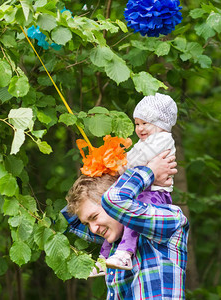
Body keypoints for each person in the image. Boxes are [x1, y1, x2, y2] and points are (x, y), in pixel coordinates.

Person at [61, 151, 189, 299]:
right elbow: (68, 218)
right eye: (87, 223)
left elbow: (116, 199)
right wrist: (107, 169)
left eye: (94, 217)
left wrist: (149, 171)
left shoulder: (168, 218)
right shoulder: (117, 244)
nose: (93, 229)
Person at [100, 93, 178, 270]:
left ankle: (125, 254)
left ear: (161, 124)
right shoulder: (146, 141)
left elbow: (139, 157)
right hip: (142, 190)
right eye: (137, 124)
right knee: (116, 216)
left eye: (145, 123)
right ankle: (104, 258)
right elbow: (136, 155)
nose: (140, 128)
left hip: (155, 194)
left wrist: (121, 166)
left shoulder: (162, 139)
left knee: (131, 218)